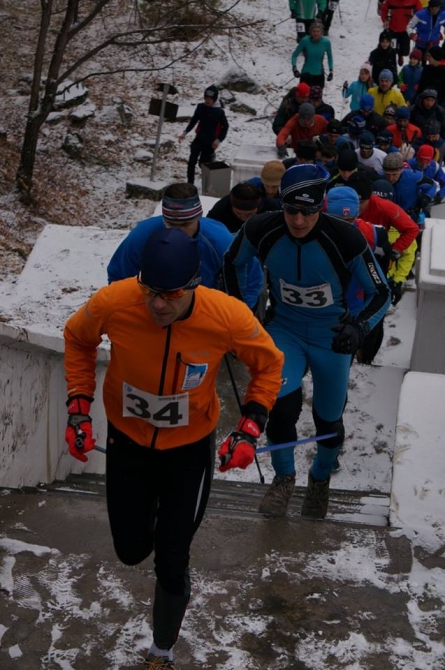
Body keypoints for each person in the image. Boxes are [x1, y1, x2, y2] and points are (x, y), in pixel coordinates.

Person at [64, 227, 284, 670]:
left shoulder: (227, 316)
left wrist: (249, 428)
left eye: (169, 294)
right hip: (128, 443)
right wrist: (78, 406)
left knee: (171, 556)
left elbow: (269, 364)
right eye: (149, 291)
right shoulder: (115, 302)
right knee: (129, 550)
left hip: (188, 452)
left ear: (193, 285)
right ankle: (155, 524)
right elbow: (77, 338)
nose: (157, 304)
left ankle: (160, 650)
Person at [224, 164, 390, 520]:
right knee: (279, 407)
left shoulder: (344, 236)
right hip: (285, 330)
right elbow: (232, 262)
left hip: (331, 336)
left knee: (328, 420)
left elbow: (382, 292)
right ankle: (284, 479)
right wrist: (243, 313)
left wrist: (359, 329)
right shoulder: (261, 228)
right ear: (280, 204)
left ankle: (319, 480)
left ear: (322, 206)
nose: (299, 221)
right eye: (291, 211)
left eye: (309, 212)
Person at [107, 183, 264, 310]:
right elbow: (119, 278)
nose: (178, 231)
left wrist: (237, 316)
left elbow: (252, 278)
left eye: (185, 224)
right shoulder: (143, 236)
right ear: (164, 218)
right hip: (156, 310)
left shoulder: (219, 240)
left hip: (205, 312)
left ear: (199, 216)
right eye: (171, 224)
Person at [325, 186, 392, 365]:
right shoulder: (309, 231)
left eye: (350, 220)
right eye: (338, 220)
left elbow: (381, 283)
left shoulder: (375, 234)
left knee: (338, 369)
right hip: (317, 312)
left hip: (353, 310)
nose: (344, 227)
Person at [347, 172, 420, 257]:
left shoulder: (385, 207)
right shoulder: (335, 202)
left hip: (373, 254)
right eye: (353, 202)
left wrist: (395, 249)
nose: (358, 206)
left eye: (362, 202)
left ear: (369, 197)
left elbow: (412, 229)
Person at [179, 85, 229, 185]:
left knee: (203, 165)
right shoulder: (200, 107)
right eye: (206, 98)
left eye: (210, 99)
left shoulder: (219, 112)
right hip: (199, 139)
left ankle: (207, 184)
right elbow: (194, 120)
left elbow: (225, 127)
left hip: (210, 142)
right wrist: (185, 132)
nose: (207, 101)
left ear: (214, 99)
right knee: (191, 162)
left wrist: (218, 140)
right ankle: (190, 183)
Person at [382, 151, 436, 223]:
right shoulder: (380, 180)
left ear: (401, 170)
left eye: (394, 175)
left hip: (410, 216)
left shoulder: (413, 177)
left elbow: (432, 185)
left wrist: (427, 197)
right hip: (389, 217)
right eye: (387, 174)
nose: (390, 178)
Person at [207, 182, 280, 234]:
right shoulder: (221, 208)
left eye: (249, 214)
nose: (243, 218)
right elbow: (208, 228)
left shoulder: (273, 208)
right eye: (238, 213)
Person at [291, 19, 334, 89]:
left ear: (321, 32)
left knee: (316, 99)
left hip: (319, 74)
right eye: (314, 31)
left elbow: (330, 57)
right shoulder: (305, 41)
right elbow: (294, 55)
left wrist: (331, 71)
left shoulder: (326, 42)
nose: (316, 33)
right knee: (304, 98)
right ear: (310, 32)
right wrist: (294, 68)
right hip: (306, 74)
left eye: (318, 31)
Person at [380, 0, 423, 66]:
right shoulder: (389, 1)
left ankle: (400, 55)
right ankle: (392, 61)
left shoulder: (414, 1)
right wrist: (385, 20)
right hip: (392, 29)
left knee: (405, 49)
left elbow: (420, 12)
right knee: (391, 49)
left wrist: (416, 23)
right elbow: (384, 9)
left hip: (406, 29)